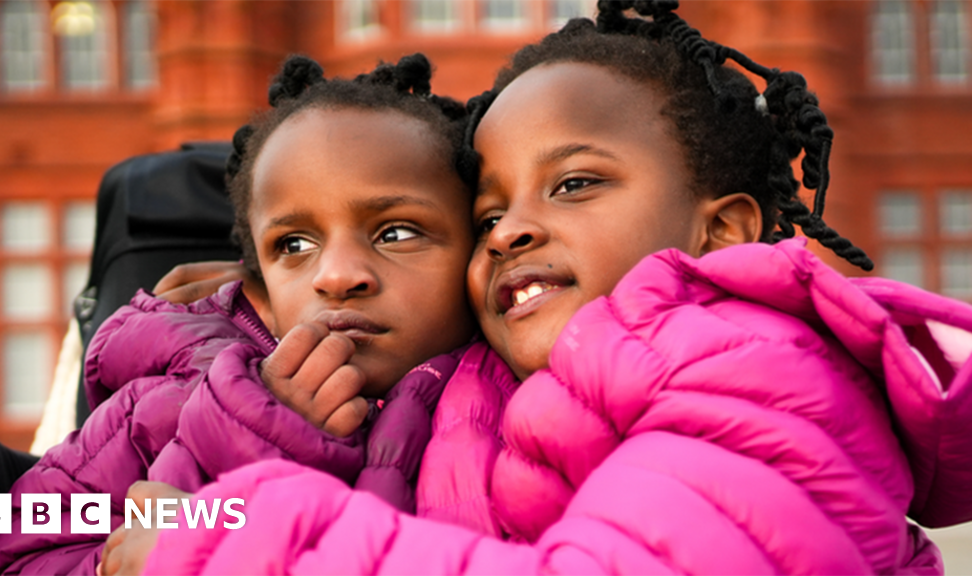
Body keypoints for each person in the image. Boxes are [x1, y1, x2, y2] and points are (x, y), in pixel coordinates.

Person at [111, 2, 972, 575]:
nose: (512, 229)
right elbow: (21, 515)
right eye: (487, 215)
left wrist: (208, 547)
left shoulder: (761, 369)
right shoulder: (491, 388)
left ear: (721, 230)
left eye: (573, 185)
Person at [0, 53, 478, 576]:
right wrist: (252, 438)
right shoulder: (168, 404)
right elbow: (23, 551)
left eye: (395, 233)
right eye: (294, 244)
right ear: (258, 277)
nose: (335, 275)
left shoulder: (517, 393)